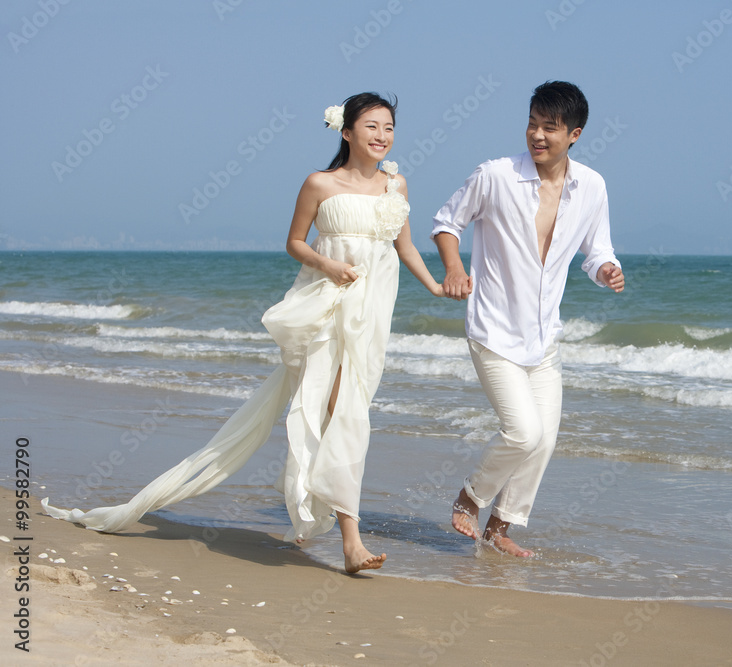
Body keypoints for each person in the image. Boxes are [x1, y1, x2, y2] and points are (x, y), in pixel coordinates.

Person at [43, 92, 443, 574]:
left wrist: (437, 286)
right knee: (341, 413)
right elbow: (295, 242)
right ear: (346, 132)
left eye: (389, 128)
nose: (382, 136)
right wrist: (327, 263)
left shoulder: (396, 185)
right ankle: (350, 542)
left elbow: (405, 246)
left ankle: (311, 506)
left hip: (372, 317)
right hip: (324, 311)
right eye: (372, 126)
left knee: (340, 411)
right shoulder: (319, 184)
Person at [432, 81, 625, 557]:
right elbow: (446, 222)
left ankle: (500, 529)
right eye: (532, 123)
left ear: (574, 134)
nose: (537, 135)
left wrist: (605, 269)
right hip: (494, 329)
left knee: (543, 442)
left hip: (544, 339)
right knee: (522, 432)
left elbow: (596, 248)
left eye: (550, 128)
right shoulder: (496, 175)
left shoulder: (593, 186)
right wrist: (455, 267)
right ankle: (469, 498)